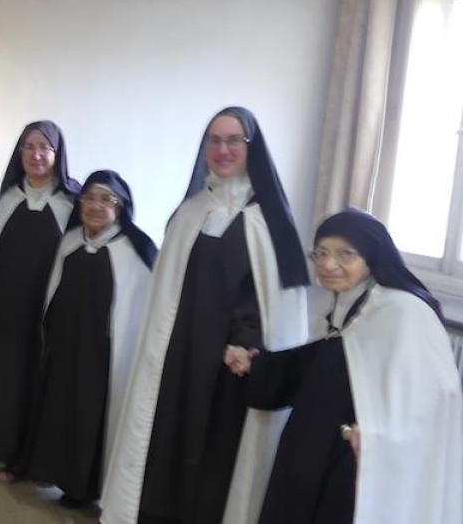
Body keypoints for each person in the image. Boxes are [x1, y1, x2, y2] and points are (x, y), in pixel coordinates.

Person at [101, 107, 309, 524]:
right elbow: (168, 289)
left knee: (216, 460)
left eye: (233, 140)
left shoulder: (270, 222)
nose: (222, 149)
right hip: (177, 357)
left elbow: (272, 300)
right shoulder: (190, 212)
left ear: (252, 148)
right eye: (214, 140)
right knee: (166, 443)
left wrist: (248, 344)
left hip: (232, 364)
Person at [223, 208, 462, 523]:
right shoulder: (341, 301)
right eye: (320, 253)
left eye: (345, 254)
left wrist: (379, 435)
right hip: (311, 449)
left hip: (353, 463)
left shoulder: (405, 311)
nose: (328, 265)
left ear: (371, 257)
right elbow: (320, 365)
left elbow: (437, 397)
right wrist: (257, 364)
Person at [21, 170, 156, 507]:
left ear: (121, 207)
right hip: (65, 353)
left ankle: (98, 490)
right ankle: (71, 485)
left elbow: (142, 312)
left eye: (106, 199)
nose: (96, 206)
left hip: (107, 359)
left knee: (97, 423)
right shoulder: (68, 244)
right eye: (89, 198)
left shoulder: (135, 253)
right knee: (63, 416)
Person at [0, 120, 78, 481]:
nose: (35, 155)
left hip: (51, 312)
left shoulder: (72, 202)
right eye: (28, 148)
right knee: (9, 381)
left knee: (43, 381)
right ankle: (9, 454)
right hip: (9, 310)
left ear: (56, 154)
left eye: (43, 148)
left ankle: (39, 458)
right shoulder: (9, 200)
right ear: (20, 154)